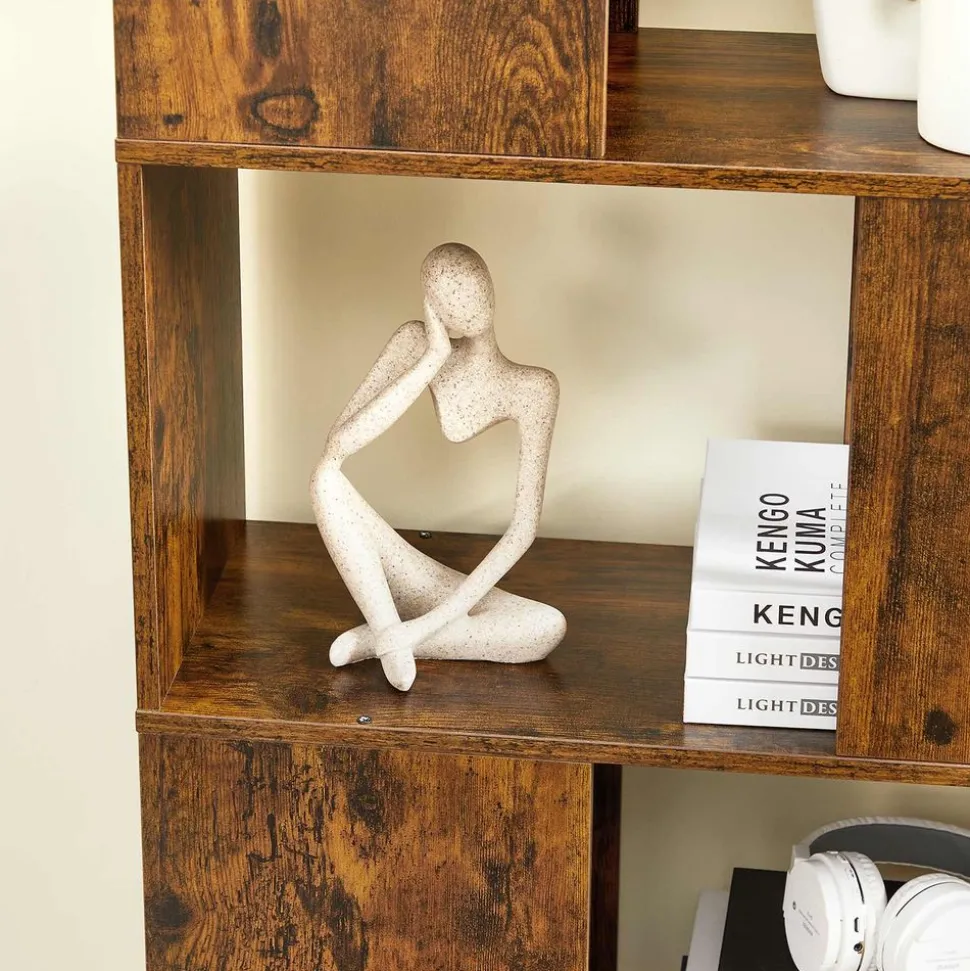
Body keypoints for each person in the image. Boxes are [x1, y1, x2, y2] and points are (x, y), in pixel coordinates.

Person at [311, 243, 566, 691]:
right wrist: (430, 360)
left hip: (458, 593)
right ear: (433, 307)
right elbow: (337, 448)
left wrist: (427, 624)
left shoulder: (534, 388)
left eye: (475, 283)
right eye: (449, 292)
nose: (468, 297)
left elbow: (523, 529)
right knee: (323, 481)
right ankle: (389, 629)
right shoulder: (413, 343)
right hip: (401, 568)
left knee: (547, 627)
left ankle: (385, 640)